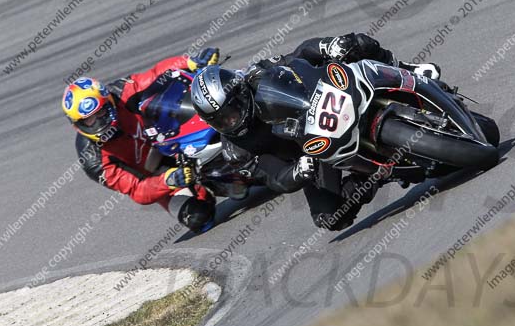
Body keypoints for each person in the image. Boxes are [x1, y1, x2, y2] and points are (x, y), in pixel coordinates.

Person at [190, 33, 440, 230]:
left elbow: (299, 55)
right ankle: (374, 175)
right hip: (313, 152)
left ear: (240, 93)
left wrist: (327, 47)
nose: (231, 121)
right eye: (221, 121)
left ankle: (406, 69)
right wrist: (298, 172)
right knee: (330, 217)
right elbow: (274, 177)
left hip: (325, 100)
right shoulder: (237, 151)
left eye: (231, 111)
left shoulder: (257, 74)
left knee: (354, 43)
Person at [61, 48, 222, 232]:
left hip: (173, 140)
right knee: (198, 218)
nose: (98, 123)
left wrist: (190, 62)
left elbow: (156, 75)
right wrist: (167, 180)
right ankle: (205, 189)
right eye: (89, 121)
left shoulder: (121, 93)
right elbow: (136, 190)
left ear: (109, 101)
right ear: (77, 124)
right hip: (156, 176)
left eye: (101, 113)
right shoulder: (92, 158)